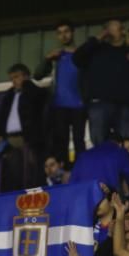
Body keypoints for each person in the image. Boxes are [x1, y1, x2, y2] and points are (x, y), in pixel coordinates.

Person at [73, 19, 129, 145]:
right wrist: (97, 38)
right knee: (99, 143)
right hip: (100, 104)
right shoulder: (96, 50)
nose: (124, 32)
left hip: (126, 105)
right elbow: (77, 58)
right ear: (107, 31)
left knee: (127, 143)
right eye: (119, 29)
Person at [35, 20, 86, 160]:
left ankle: (82, 172)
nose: (64, 36)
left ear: (73, 33)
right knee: (60, 143)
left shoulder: (82, 54)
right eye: (60, 33)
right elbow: (37, 76)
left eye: (66, 32)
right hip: (59, 106)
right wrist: (47, 59)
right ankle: (62, 175)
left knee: (79, 142)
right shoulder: (56, 56)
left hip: (79, 105)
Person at [0, 63, 48, 190]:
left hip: (27, 138)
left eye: (17, 77)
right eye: (12, 78)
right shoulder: (9, 95)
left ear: (26, 76)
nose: (14, 81)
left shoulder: (34, 92)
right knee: (13, 172)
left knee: (30, 171)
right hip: (10, 139)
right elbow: (2, 116)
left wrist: (27, 85)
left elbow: (38, 105)